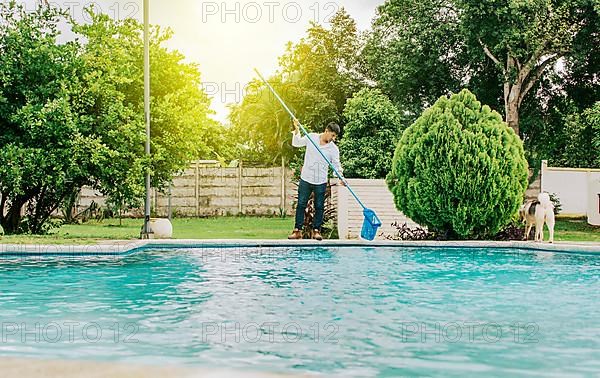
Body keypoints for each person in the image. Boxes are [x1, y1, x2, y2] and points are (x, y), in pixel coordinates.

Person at [288, 118, 345, 240]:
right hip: (306, 178)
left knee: (319, 206)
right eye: (333, 135)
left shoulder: (333, 149)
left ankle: (316, 231)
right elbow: (297, 143)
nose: (333, 139)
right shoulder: (312, 137)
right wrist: (297, 129)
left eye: (335, 137)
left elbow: (336, 165)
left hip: (320, 181)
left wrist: (340, 177)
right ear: (326, 131)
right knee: (301, 204)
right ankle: (297, 230)